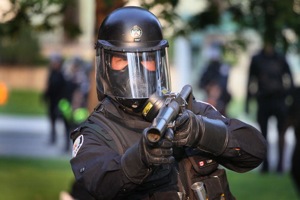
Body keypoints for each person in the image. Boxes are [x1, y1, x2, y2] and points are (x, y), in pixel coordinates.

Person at [70, 6, 267, 200]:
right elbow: (103, 184)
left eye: (146, 58)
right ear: (106, 65)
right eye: (122, 59)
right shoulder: (96, 132)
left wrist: (199, 131)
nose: (136, 69)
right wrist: (141, 158)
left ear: (159, 62)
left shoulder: (186, 110)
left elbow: (255, 151)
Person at [245, 41, 294, 173]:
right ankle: (265, 165)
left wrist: (289, 96)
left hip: (279, 100)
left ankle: (280, 166)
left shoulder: (280, 57)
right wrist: (247, 102)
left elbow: (289, 78)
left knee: (281, 132)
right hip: (263, 100)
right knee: (263, 134)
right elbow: (250, 80)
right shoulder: (257, 59)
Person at [198, 42, 231, 116]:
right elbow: (201, 83)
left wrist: (217, 90)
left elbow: (223, 84)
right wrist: (209, 88)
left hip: (222, 101)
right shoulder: (208, 67)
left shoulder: (223, 67)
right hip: (209, 100)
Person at [43, 53, 66, 145]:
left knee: (64, 121)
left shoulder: (61, 74)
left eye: (55, 62)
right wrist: (45, 95)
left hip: (59, 101)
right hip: (52, 101)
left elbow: (63, 89)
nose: (53, 64)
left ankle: (66, 142)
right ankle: (53, 138)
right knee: (52, 120)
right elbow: (49, 86)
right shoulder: (51, 73)